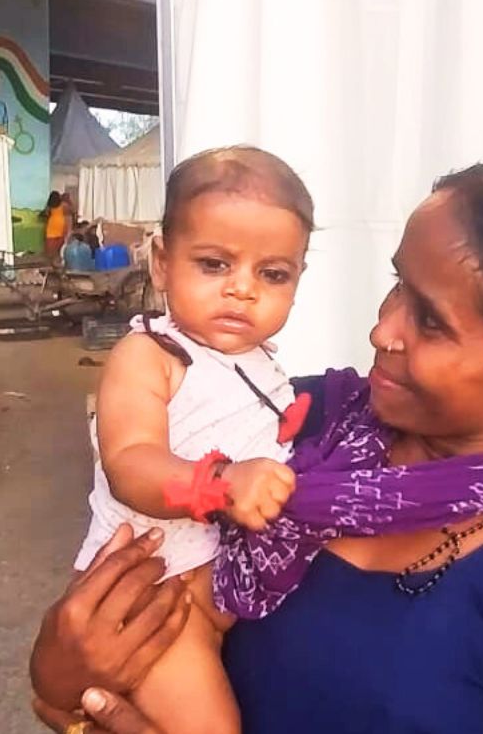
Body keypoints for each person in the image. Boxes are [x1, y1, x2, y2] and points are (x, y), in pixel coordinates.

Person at [31, 158, 483, 734]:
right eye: (397, 283)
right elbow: (85, 657)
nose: (381, 330)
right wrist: (66, 677)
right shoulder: (298, 423)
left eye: (429, 321)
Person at [71, 146, 313, 734]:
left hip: (216, 586)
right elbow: (131, 463)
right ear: (160, 261)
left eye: (272, 273)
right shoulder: (152, 355)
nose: (242, 290)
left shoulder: (262, 363)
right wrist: (223, 484)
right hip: (149, 595)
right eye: (214, 264)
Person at [41, 191, 71, 259]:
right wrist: (68, 229)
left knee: (50, 245)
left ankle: (51, 259)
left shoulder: (49, 206)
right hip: (61, 224)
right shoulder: (64, 205)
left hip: (51, 225)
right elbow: (68, 216)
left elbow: (46, 214)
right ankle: (58, 259)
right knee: (60, 245)